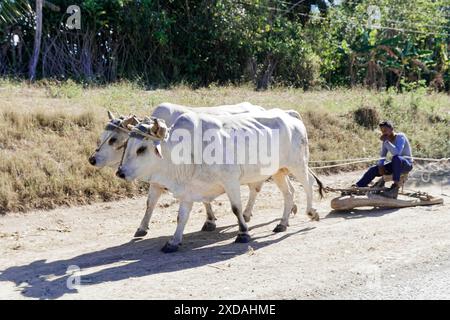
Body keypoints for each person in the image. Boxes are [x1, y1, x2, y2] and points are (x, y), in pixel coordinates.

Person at [354, 121, 413, 199]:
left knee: (396, 158)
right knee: (374, 169)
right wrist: (380, 165)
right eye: (382, 131)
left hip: (406, 164)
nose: (383, 132)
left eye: (385, 130)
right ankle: (359, 186)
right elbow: (382, 156)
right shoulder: (386, 141)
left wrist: (386, 141)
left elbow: (397, 152)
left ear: (391, 129)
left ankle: (395, 187)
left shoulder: (400, 137)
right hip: (396, 163)